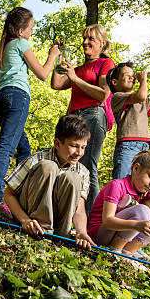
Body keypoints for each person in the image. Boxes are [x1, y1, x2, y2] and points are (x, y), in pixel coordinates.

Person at [0, 7, 60, 220]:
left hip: (2, 99)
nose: (32, 32)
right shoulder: (21, 44)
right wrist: (53, 55)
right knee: (6, 147)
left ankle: (21, 198)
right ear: (20, 31)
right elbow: (42, 73)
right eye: (30, 28)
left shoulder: (2, 51)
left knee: (23, 150)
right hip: (17, 97)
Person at [3, 114, 94, 249]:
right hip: (30, 219)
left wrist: (81, 232)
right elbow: (8, 194)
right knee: (48, 167)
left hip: (58, 228)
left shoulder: (83, 172)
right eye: (74, 146)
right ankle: (40, 231)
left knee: (73, 178)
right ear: (57, 143)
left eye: (83, 147)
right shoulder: (36, 160)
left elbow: (79, 209)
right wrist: (24, 220)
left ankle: (60, 238)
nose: (79, 153)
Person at [51, 24, 115, 215]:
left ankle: (87, 223)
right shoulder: (77, 68)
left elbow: (103, 94)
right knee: (66, 163)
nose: (85, 42)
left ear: (102, 43)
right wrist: (59, 57)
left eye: (91, 39)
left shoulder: (106, 64)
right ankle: (65, 214)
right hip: (73, 117)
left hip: (94, 115)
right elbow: (56, 84)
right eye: (84, 38)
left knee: (87, 167)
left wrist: (76, 79)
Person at [87, 151, 150, 259]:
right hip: (99, 235)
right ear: (136, 169)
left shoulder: (144, 194)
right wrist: (135, 225)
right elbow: (107, 221)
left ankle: (126, 253)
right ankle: (114, 253)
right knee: (143, 210)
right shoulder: (117, 185)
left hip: (115, 236)